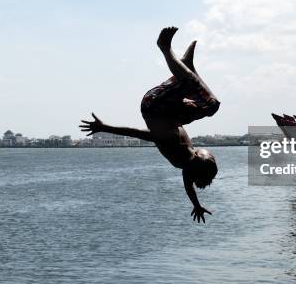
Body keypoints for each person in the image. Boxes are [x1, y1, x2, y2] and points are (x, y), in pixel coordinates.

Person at [80, 27, 220, 223]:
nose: (204, 150)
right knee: (208, 106)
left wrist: (105, 128)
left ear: (197, 158)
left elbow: (140, 134)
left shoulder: (178, 147)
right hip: (170, 109)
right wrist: (196, 205)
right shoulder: (187, 166)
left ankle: (165, 49)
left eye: (206, 153)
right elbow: (189, 186)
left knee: (199, 93)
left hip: (154, 105)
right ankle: (186, 66)